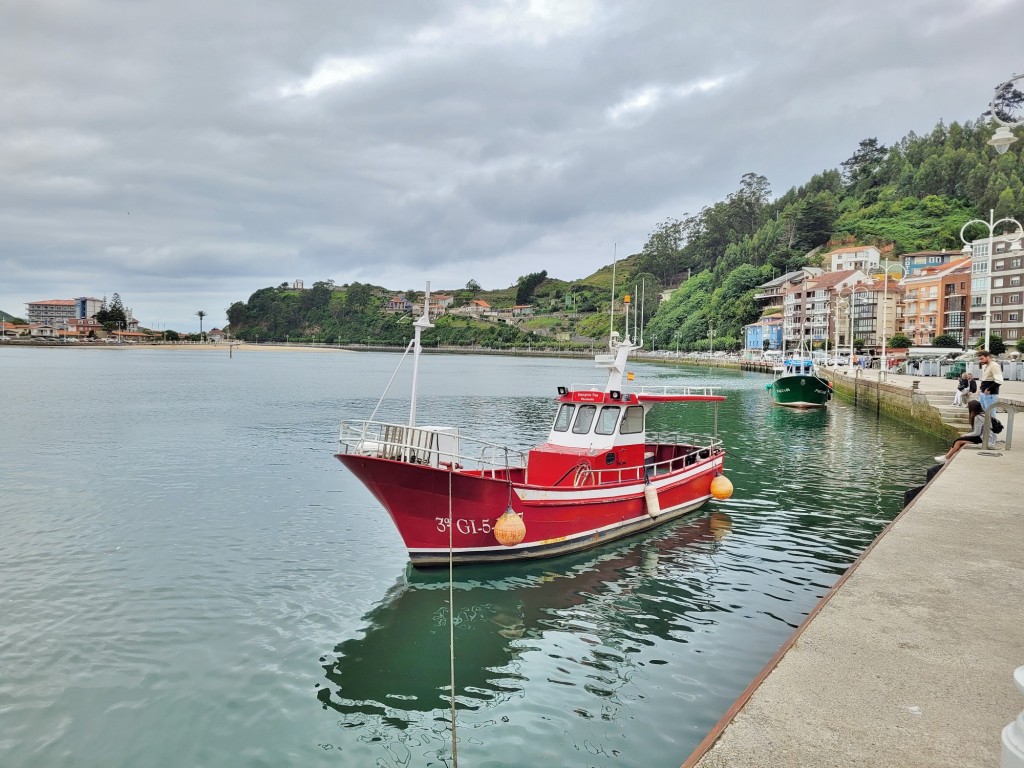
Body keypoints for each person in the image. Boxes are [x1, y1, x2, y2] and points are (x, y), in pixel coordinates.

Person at [977, 350, 1003, 447]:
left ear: (988, 356)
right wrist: (981, 389)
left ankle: (992, 440)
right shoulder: (986, 366)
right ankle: (986, 437)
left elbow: (999, 380)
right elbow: (986, 379)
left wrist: (989, 389)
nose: (980, 361)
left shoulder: (994, 365)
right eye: (979, 359)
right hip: (984, 394)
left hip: (990, 395)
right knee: (983, 415)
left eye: (982, 358)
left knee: (991, 416)